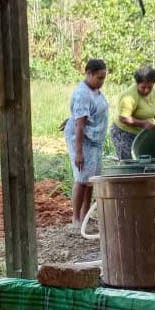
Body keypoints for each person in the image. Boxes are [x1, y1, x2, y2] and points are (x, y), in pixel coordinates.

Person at [64, 59, 109, 229]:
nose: (101, 81)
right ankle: (76, 219)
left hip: (95, 140)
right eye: (99, 77)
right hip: (82, 139)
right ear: (88, 73)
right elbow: (80, 125)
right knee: (82, 178)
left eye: (104, 78)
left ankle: (85, 216)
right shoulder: (82, 94)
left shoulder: (95, 90)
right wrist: (79, 152)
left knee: (91, 180)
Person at [110, 65, 155, 160]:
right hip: (124, 133)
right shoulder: (129, 96)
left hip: (142, 132)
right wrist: (143, 123)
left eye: (150, 87)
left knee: (145, 160)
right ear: (137, 83)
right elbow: (123, 117)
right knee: (130, 162)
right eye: (143, 87)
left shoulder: (153, 92)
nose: (146, 90)